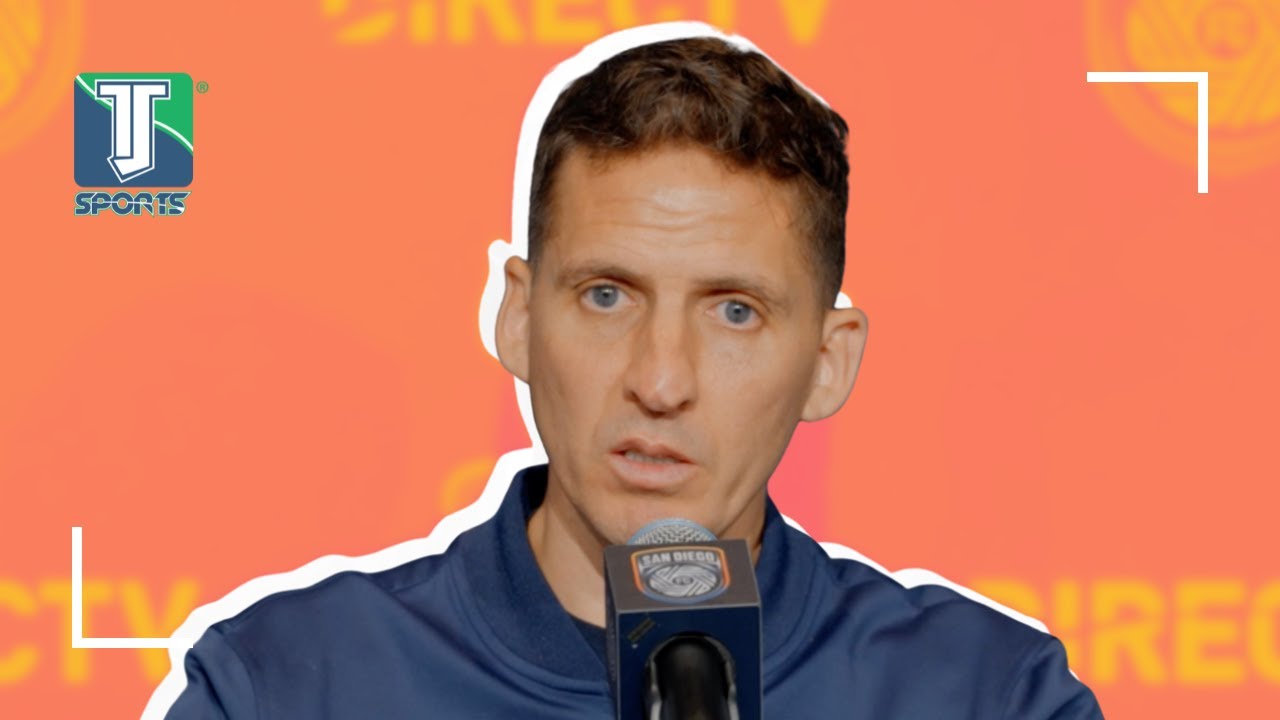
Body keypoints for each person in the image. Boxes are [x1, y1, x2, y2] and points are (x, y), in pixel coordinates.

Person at [151, 25, 1104, 719]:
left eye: (734, 311)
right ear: (519, 318)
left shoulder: (988, 697)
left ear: (827, 363)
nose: (661, 379)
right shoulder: (284, 687)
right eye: (607, 296)